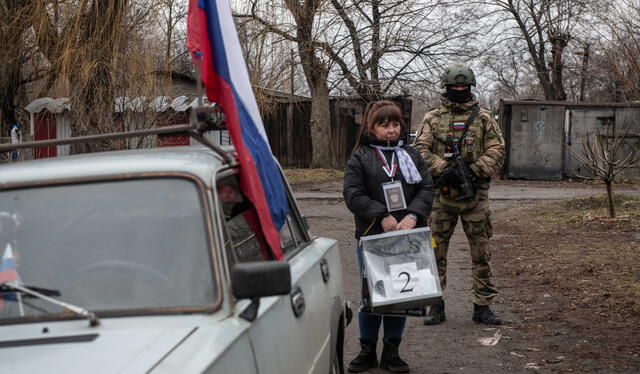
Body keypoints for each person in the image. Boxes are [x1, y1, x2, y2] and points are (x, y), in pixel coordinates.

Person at [343, 100, 434, 373]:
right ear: (371, 127)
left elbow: (427, 188)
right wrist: (381, 215)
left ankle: (392, 351)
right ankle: (367, 350)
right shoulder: (360, 157)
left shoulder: (412, 155)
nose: (391, 130)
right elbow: (353, 194)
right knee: (371, 295)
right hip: (373, 236)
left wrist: (413, 215)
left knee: (400, 296)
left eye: (395, 124)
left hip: (406, 236)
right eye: (384, 125)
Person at [413, 63, 505, 326]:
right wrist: (442, 169)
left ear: (471, 87)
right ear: (446, 87)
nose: (460, 90)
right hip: (442, 197)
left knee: (481, 252)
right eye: (455, 87)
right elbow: (420, 149)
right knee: (435, 251)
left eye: (464, 87)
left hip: (475, 196)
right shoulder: (432, 118)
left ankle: (482, 306)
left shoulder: (484, 118)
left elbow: (497, 149)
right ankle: (435, 304)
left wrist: (475, 170)